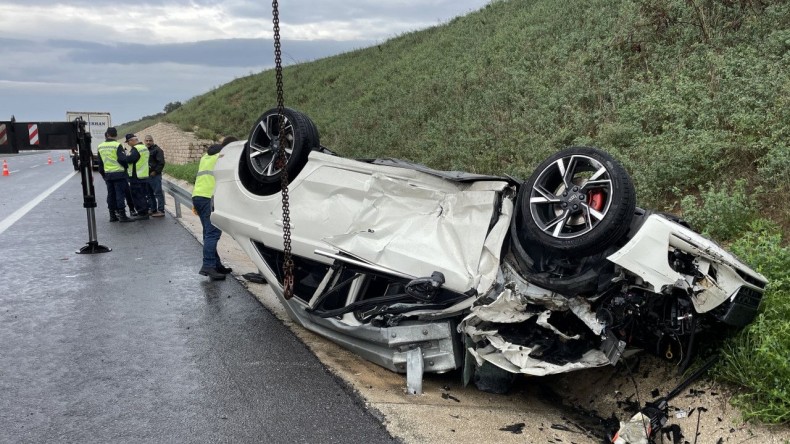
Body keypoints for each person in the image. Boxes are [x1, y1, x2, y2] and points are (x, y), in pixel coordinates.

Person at [192, 137, 237, 280]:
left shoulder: (206, 155)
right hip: (209, 198)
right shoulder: (222, 157)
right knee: (213, 233)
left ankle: (216, 265)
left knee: (208, 232)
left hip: (198, 195)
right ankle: (208, 266)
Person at [96, 127, 133, 222]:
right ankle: (122, 215)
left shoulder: (100, 146)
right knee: (120, 194)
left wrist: (103, 174)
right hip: (119, 174)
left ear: (107, 134)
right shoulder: (117, 145)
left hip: (108, 174)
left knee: (111, 195)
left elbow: (100, 163)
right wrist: (125, 168)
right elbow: (122, 159)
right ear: (116, 135)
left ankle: (112, 215)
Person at [124, 134, 151, 220]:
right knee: (143, 195)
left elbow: (130, 159)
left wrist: (125, 156)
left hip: (136, 176)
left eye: (128, 142)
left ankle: (142, 213)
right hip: (143, 175)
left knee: (137, 195)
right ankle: (144, 212)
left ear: (132, 141)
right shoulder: (143, 147)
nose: (128, 144)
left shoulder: (136, 149)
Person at [144, 135, 166, 217]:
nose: (148, 142)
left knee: (158, 193)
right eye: (147, 140)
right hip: (147, 175)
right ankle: (152, 209)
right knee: (149, 194)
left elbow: (161, 163)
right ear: (144, 141)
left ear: (153, 141)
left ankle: (161, 210)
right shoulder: (145, 150)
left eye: (150, 140)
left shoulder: (158, 150)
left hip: (155, 176)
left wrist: (155, 172)